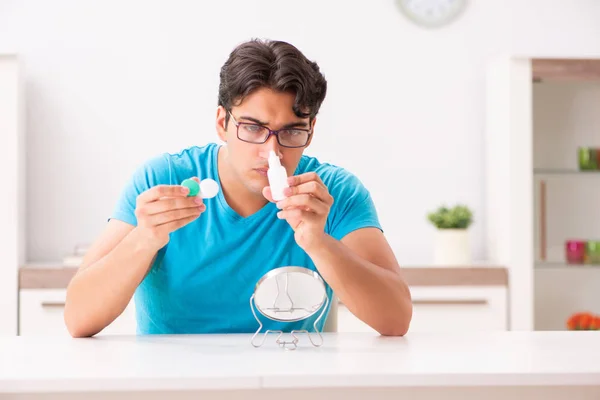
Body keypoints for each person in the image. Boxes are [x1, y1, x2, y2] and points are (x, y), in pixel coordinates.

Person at [64, 39, 413, 337]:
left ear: (312, 129)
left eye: (292, 131)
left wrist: (318, 242)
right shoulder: (163, 179)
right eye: (253, 127)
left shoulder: (334, 191)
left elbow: (395, 320)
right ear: (222, 123)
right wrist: (144, 239)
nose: (271, 151)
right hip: (172, 382)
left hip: (291, 381)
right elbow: (78, 319)